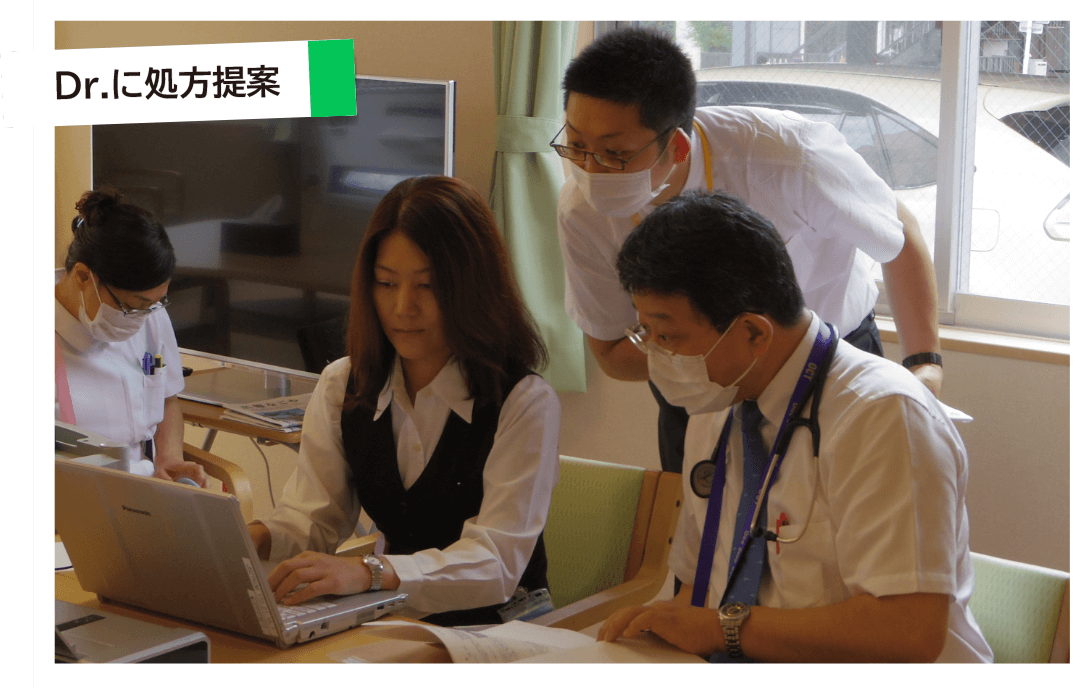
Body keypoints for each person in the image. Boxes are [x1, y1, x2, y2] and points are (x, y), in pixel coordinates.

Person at [597, 189, 991, 662]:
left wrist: (723, 630)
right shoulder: (719, 402)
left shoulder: (884, 416)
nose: (656, 356)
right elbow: (700, 592)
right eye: (646, 333)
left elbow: (907, 631)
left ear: (753, 332)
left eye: (668, 336)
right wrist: (657, 626)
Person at [554, 28, 943, 473]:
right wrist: (699, 353)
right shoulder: (580, 210)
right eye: (577, 145)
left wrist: (925, 363)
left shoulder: (788, 157)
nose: (590, 169)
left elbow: (898, 234)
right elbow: (610, 353)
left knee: (848, 498)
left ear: (676, 146)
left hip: (826, 362)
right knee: (704, 510)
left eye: (615, 154)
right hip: (696, 386)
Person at [247, 176, 561, 626]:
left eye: (427, 286)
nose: (402, 308)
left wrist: (370, 572)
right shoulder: (343, 384)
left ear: (473, 287)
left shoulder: (524, 401)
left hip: (501, 626)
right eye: (386, 283)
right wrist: (246, 537)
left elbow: (496, 563)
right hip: (397, 616)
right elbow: (313, 519)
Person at [55, 188, 207, 486]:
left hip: (145, 484)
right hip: (69, 488)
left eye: (155, 304)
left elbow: (167, 398)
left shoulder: (151, 316)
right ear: (84, 277)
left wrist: (169, 459)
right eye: (132, 306)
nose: (142, 318)